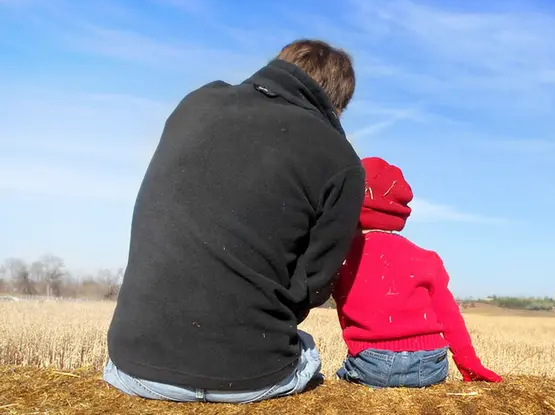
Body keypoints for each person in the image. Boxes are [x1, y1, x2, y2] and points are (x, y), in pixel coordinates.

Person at [103, 39, 366, 403]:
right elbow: (313, 285)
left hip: (131, 366)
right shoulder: (342, 161)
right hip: (249, 376)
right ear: (336, 104)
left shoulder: (196, 102)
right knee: (306, 348)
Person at [332, 157, 502, 388]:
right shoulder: (427, 258)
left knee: (338, 378)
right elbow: (449, 316)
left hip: (374, 364)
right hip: (432, 363)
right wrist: (469, 363)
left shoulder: (343, 257)